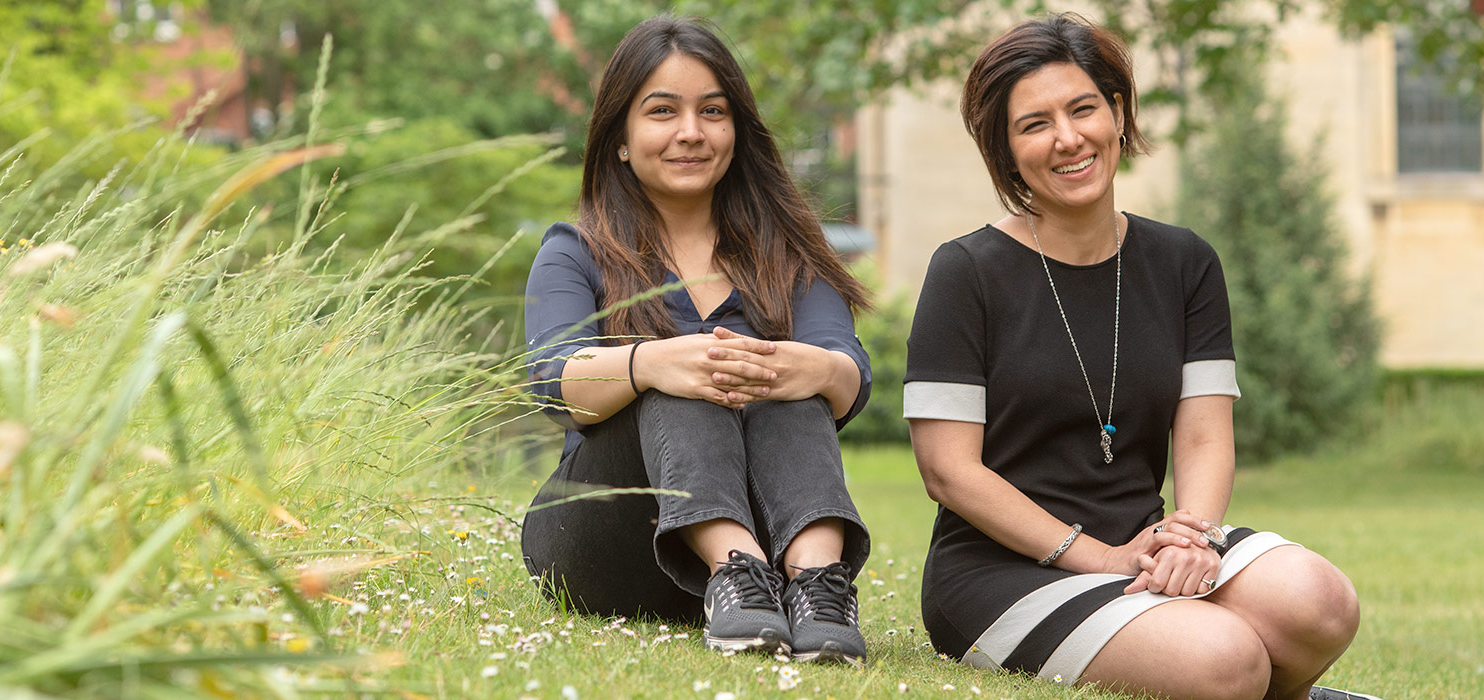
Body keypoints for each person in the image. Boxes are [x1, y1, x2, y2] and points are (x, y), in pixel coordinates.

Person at [903, 13, 1377, 700]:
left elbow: (1206, 432)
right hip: (1000, 573)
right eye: (1034, 124)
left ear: (1119, 113)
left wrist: (1192, 538)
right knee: (1228, 662)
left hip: (1147, 543)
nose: (1068, 138)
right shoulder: (965, 270)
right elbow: (949, 472)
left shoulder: (1184, 262)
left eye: (1083, 108)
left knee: (1321, 603)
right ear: (1005, 151)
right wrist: (1102, 559)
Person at [519, 15, 873, 666]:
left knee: (793, 372)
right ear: (620, 138)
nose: (691, 132)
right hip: (606, 540)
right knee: (680, 368)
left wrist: (802, 369)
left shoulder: (790, 256)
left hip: (777, 556)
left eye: (712, 111)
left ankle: (819, 586)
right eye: (662, 111)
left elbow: (849, 373)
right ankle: (728, 567)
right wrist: (653, 362)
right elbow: (551, 378)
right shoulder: (575, 251)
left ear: (736, 130)